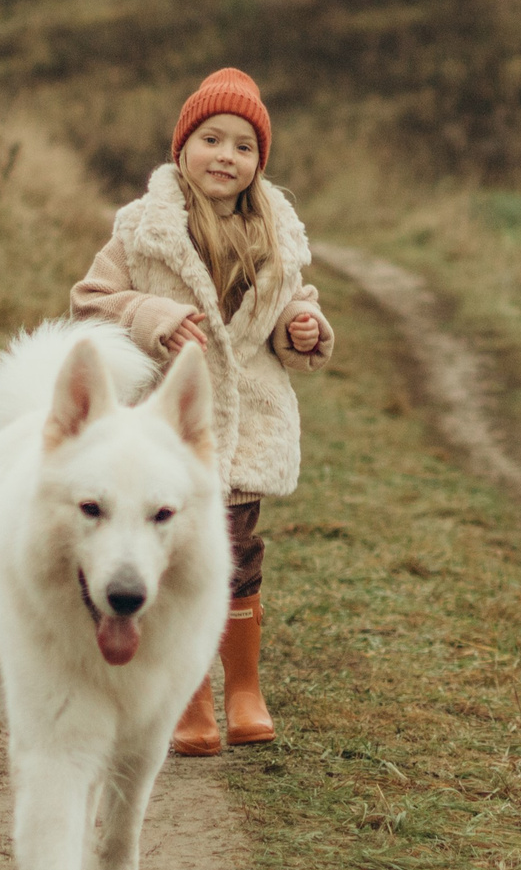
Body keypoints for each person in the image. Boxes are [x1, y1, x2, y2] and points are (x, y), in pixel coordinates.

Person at [72, 68, 335, 755]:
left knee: (239, 556)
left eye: (243, 146)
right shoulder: (142, 228)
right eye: (211, 139)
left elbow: (292, 305)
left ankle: (243, 687)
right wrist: (150, 314)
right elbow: (90, 302)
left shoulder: (276, 235)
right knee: (169, 556)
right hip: (164, 430)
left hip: (245, 426)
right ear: (182, 147)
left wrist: (301, 326)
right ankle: (185, 698)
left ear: (258, 163)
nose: (226, 156)